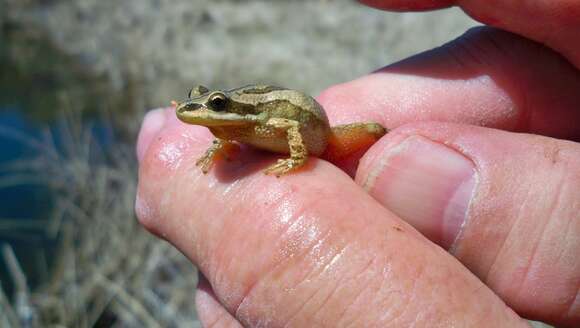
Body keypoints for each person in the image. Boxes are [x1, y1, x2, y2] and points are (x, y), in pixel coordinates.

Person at [135, 0, 580, 326]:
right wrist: (217, 146)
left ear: (229, 105)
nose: (203, 113)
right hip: (275, 125)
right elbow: (227, 134)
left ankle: (389, 153)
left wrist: (295, 160)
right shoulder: (229, 128)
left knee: (369, 128)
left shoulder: (263, 120)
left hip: (318, 131)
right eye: (201, 104)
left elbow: (292, 131)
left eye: (214, 104)